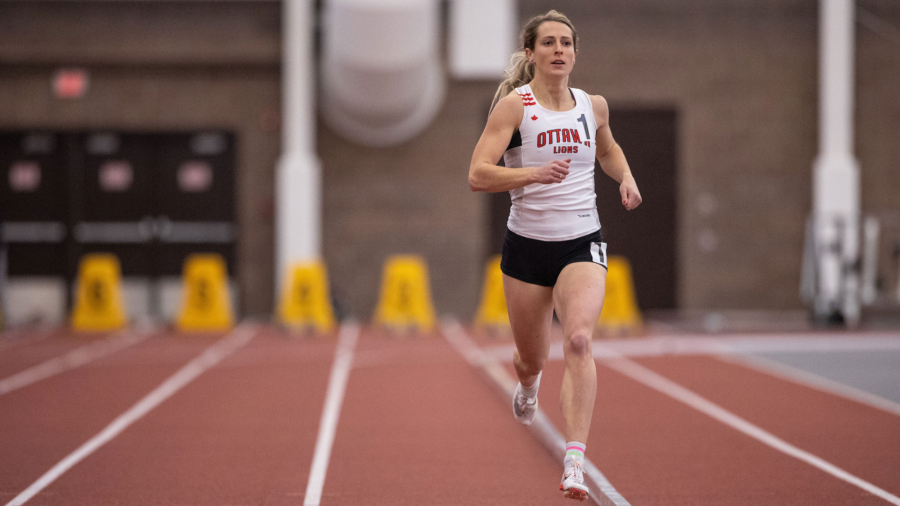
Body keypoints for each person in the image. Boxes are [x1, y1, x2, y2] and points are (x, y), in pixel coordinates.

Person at [468, 10, 642, 501]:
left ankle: (574, 462)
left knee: (581, 341)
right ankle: (528, 386)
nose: (559, 50)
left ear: (574, 53)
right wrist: (531, 175)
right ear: (532, 53)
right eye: (549, 43)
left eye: (566, 43)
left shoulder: (593, 106)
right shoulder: (514, 108)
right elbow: (478, 174)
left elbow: (607, 151)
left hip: (580, 241)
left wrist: (625, 177)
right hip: (526, 246)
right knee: (530, 358)